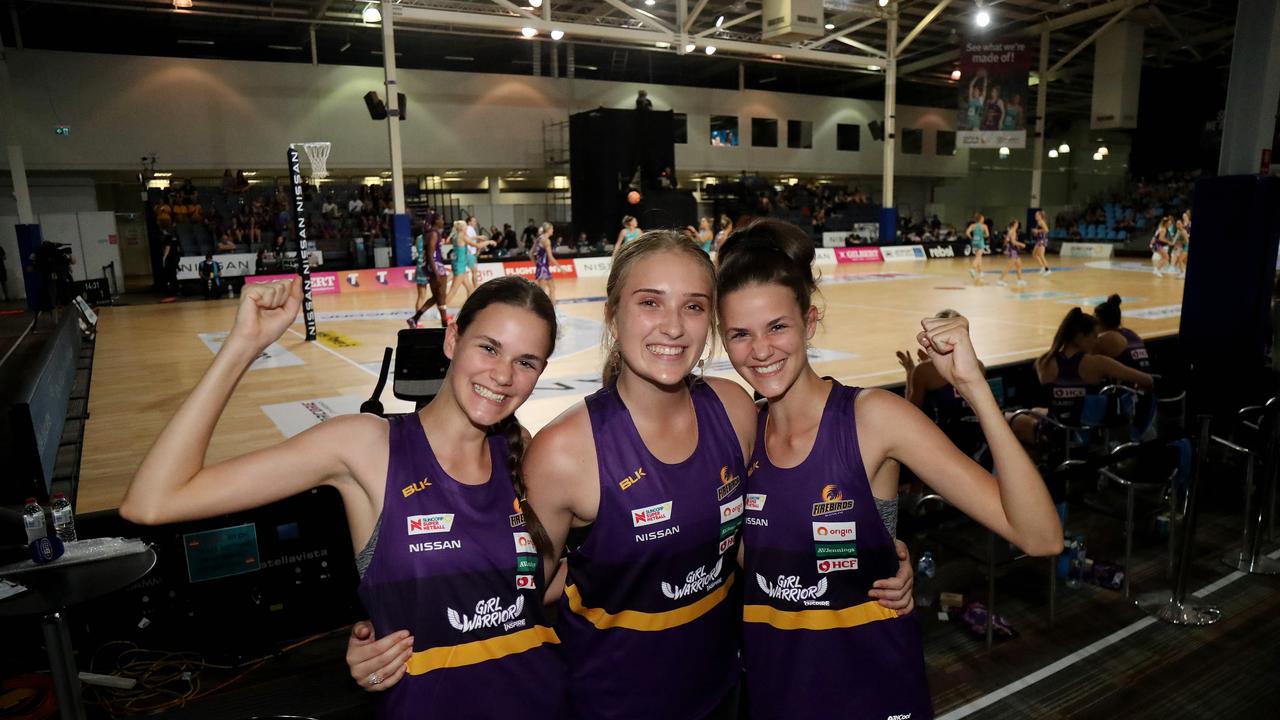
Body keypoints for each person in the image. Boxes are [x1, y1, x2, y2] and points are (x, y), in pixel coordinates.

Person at [345, 231, 917, 718]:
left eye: (694, 306)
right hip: (607, 705)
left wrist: (869, 555)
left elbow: (762, 532)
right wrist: (394, 636)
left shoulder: (735, 409)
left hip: (728, 693)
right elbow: (510, 591)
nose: (673, 326)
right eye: (650, 302)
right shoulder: (563, 452)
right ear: (613, 314)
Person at [121, 276, 568, 718]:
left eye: (526, 362)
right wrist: (244, 345)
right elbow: (153, 501)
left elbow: (526, 598)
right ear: (452, 339)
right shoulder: (367, 445)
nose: (504, 375)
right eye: (488, 347)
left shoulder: (522, 449)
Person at [716, 220, 1061, 720]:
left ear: (809, 321)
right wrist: (877, 555)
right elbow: (758, 558)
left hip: (871, 692)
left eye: (778, 326)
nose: (761, 350)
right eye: (740, 335)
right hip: (778, 691)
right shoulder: (742, 432)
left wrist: (974, 388)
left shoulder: (874, 418)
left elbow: (1041, 536)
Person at [1009, 308, 1155, 445]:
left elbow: (1063, 406)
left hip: (1056, 434)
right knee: (1037, 412)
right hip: (1088, 435)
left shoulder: (1043, 363)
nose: (1097, 341)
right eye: (1094, 336)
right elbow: (1147, 380)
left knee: (1010, 417)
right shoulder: (1099, 363)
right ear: (1080, 337)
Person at [407, 215, 450, 329]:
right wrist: (436, 274)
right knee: (441, 295)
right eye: (441, 218)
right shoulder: (434, 234)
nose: (443, 220)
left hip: (430, 266)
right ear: (436, 221)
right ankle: (444, 324)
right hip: (435, 266)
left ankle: (415, 318)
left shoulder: (428, 234)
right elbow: (430, 255)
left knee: (437, 296)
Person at [530, 221, 560, 304]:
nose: (553, 230)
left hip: (540, 267)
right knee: (551, 289)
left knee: (543, 291)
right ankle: (552, 311)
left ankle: (544, 311)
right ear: (548, 229)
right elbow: (550, 257)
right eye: (552, 228)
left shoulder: (539, 238)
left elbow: (530, 253)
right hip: (544, 268)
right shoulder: (546, 240)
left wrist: (536, 264)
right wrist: (560, 267)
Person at [996, 219, 1026, 287]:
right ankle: (1000, 280)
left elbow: (1006, 241)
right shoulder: (1013, 231)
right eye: (1017, 224)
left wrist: (1007, 246)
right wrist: (1021, 244)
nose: (1018, 225)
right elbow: (1013, 242)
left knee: (1019, 265)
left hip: (1013, 250)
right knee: (1009, 267)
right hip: (1013, 251)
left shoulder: (1010, 231)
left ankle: (1020, 280)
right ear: (1014, 224)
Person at [965, 213, 988, 283]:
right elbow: (987, 235)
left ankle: (980, 272)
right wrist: (982, 235)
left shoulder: (972, 225)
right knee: (978, 257)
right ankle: (973, 268)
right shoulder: (984, 226)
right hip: (980, 242)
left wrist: (971, 237)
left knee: (979, 256)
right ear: (980, 219)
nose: (984, 219)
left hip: (974, 241)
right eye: (983, 218)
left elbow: (967, 232)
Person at [1031, 209, 1051, 275]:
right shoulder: (1039, 222)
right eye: (1035, 215)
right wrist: (1035, 232)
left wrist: (1038, 231)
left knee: (1041, 255)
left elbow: (1047, 230)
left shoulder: (1041, 222)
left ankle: (1047, 270)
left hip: (1042, 239)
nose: (1035, 216)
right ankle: (1042, 267)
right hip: (1039, 239)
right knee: (1034, 254)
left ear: (1040, 216)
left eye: (1036, 215)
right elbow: (1040, 230)